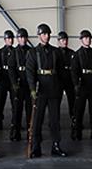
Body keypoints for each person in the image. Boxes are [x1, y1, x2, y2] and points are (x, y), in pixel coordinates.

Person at [26, 23, 67, 158]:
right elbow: (30, 72)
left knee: (55, 120)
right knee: (37, 120)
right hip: (40, 90)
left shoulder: (56, 52)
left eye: (48, 34)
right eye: (44, 34)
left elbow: (61, 71)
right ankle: (36, 146)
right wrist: (32, 89)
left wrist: (60, 88)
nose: (47, 36)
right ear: (39, 36)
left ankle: (56, 145)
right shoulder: (33, 52)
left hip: (54, 89)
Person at [70, 29, 92, 140]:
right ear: (81, 40)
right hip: (82, 83)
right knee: (79, 109)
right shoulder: (77, 54)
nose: (88, 40)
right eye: (86, 38)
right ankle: (77, 131)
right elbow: (74, 71)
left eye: (89, 38)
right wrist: (76, 85)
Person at [9, 27, 32, 141]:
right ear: (17, 39)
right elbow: (11, 68)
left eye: (24, 37)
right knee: (17, 110)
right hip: (18, 85)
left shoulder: (31, 51)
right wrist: (14, 83)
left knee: (30, 110)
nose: (22, 39)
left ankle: (30, 131)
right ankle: (15, 131)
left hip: (29, 84)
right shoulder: (14, 52)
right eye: (20, 37)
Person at [0, 30, 14, 130]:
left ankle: (15, 122)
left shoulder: (15, 52)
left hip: (12, 80)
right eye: (8, 39)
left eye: (11, 38)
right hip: (3, 79)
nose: (10, 40)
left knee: (15, 102)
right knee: (0, 102)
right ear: (5, 40)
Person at [56, 31, 76, 126]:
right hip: (59, 80)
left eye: (66, 40)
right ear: (59, 41)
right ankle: (55, 121)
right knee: (56, 101)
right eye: (63, 40)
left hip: (69, 80)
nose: (65, 42)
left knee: (72, 101)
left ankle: (74, 119)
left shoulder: (72, 53)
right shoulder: (55, 53)